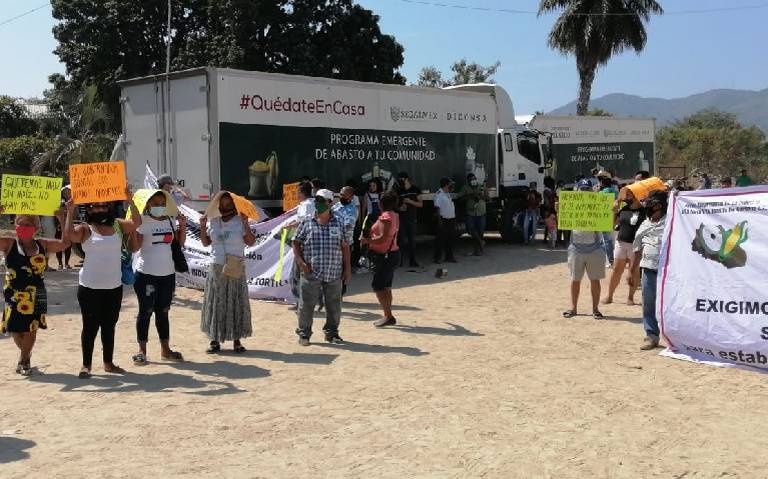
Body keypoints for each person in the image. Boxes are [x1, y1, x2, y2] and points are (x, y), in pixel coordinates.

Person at [65, 190, 141, 379]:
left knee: (109, 326)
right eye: (96, 206)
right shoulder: (85, 229)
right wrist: (70, 211)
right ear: (90, 209)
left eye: (104, 206)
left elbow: (136, 223)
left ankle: (108, 363)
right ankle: (86, 365)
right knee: (90, 327)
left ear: (109, 208)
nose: (100, 209)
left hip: (113, 287)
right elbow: (69, 235)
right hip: (89, 287)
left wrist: (130, 200)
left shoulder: (117, 225)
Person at [1, 207, 71, 376]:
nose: (23, 227)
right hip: (13, 292)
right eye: (20, 223)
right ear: (15, 225)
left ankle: (24, 361)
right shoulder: (9, 243)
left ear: (36, 227)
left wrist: (62, 219)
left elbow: (65, 243)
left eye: (28, 224)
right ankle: (27, 354)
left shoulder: (43, 244)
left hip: (36, 292)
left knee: (31, 328)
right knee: (14, 329)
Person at [127, 189, 187, 365]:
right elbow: (134, 248)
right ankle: (142, 351)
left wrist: (182, 227)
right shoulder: (142, 222)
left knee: (164, 312)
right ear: (147, 205)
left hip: (167, 275)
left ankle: (165, 349)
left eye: (162, 204)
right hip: (146, 275)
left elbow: (179, 244)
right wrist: (133, 228)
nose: (160, 207)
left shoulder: (170, 221)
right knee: (145, 312)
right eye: (156, 204)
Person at [292, 189, 352, 346]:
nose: (317, 203)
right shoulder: (307, 222)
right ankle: (304, 334)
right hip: (311, 272)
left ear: (330, 203)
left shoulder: (339, 223)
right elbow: (296, 242)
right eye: (316, 200)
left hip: (334, 272)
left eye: (321, 200)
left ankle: (332, 333)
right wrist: (301, 262)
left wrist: (348, 269)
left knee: (334, 306)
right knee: (306, 305)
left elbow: (345, 246)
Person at [199, 191, 256, 353]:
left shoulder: (240, 221)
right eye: (222, 204)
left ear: (234, 205)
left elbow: (251, 242)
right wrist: (203, 227)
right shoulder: (214, 222)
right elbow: (205, 243)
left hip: (235, 266)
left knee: (235, 301)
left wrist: (246, 223)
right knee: (217, 303)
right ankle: (214, 340)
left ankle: (237, 341)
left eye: (228, 204)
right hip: (216, 267)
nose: (224, 207)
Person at [630, 190, 668, 350]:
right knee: (648, 304)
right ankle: (651, 336)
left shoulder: (672, 222)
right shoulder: (644, 225)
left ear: (659, 206)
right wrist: (632, 271)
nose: (648, 207)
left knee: (669, 305)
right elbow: (637, 250)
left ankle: (675, 339)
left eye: (651, 204)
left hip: (668, 273)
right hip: (648, 271)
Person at [562, 179, 605, 320]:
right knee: (575, 280)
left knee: (595, 280)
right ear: (577, 190)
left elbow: (607, 224)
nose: (585, 192)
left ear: (591, 191)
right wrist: (559, 209)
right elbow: (563, 223)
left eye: (587, 189)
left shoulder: (598, 206)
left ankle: (595, 309)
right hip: (576, 249)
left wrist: (613, 211)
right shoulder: (571, 206)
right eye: (583, 189)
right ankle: (573, 308)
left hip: (595, 249)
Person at [361, 191, 400, 327]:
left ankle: (388, 316)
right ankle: (388, 314)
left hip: (384, 256)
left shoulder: (386, 217)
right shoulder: (394, 215)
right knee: (386, 286)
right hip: (391, 254)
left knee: (378, 286)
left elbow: (383, 237)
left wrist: (367, 240)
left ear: (381, 203)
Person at [602, 188, 645, 305]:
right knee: (616, 270)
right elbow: (612, 224)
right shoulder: (623, 209)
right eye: (627, 195)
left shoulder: (644, 211)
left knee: (634, 271)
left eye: (630, 194)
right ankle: (609, 295)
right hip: (621, 243)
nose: (627, 197)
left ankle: (630, 297)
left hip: (636, 245)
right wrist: (615, 211)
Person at [393, 172, 423, 269]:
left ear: (406, 179)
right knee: (400, 241)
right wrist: (400, 208)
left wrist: (410, 201)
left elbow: (420, 204)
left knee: (412, 241)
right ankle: (399, 261)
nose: (399, 181)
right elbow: (395, 205)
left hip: (412, 219)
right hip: (402, 219)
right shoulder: (399, 191)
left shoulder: (415, 189)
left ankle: (412, 261)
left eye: (401, 179)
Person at [459, 173, 488, 256]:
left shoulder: (481, 187)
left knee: (480, 231)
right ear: (468, 181)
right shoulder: (465, 188)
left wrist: (482, 195)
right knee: (471, 230)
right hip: (471, 213)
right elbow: (460, 199)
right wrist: (470, 196)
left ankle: (477, 250)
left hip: (481, 212)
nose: (474, 180)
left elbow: (487, 198)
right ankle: (481, 243)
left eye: (475, 178)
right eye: (472, 179)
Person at [433, 177, 457, 264]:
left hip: (451, 219)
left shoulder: (447, 193)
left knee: (450, 239)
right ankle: (437, 257)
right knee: (440, 240)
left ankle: (449, 256)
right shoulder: (439, 194)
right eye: (450, 184)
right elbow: (437, 208)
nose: (452, 186)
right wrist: (439, 221)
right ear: (446, 185)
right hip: (443, 219)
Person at [598, 175, 619, 266]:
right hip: (615, 218)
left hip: (604, 218)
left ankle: (610, 260)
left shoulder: (601, 193)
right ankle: (614, 259)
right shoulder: (616, 192)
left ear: (602, 183)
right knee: (614, 240)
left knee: (606, 240)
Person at [55, 185, 73, 270]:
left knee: (68, 245)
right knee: (59, 244)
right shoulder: (58, 201)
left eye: (68, 191)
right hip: (59, 226)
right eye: (65, 192)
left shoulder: (72, 201)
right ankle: (60, 263)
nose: (67, 193)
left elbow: (75, 214)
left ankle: (66, 263)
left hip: (69, 226)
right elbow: (55, 213)